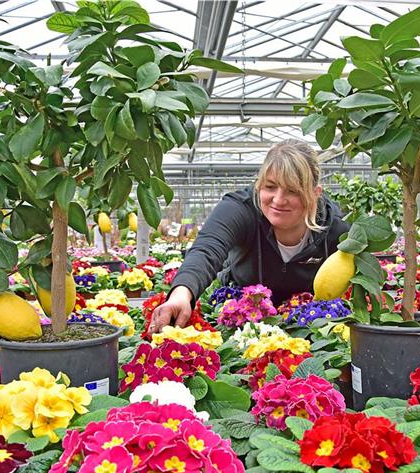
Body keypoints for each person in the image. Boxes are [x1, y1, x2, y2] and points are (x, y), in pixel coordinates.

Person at [147, 139, 349, 334]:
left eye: (293, 191)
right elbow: (206, 250)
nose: (278, 200)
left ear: (315, 193)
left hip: (311, 328)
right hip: (242, 327)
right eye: (270, 186)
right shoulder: (241, 209)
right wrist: (181, 295)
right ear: (259, 185)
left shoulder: (334, 228)